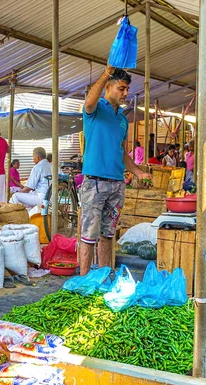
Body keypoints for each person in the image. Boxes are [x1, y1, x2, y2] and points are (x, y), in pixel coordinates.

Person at [79, 65, 151, 276]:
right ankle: (84, 280)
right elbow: (89, 101)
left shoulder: (122, 119)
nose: (125, 93)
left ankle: (104, 276)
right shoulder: (95, 109)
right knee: (89, 235)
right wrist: (106, 73)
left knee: (108, 235)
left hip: (117, 184)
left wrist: (138, 173)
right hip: (95, 183)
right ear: (108, 88)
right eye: (121, 88)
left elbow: (122, 152)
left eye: (127, 89)